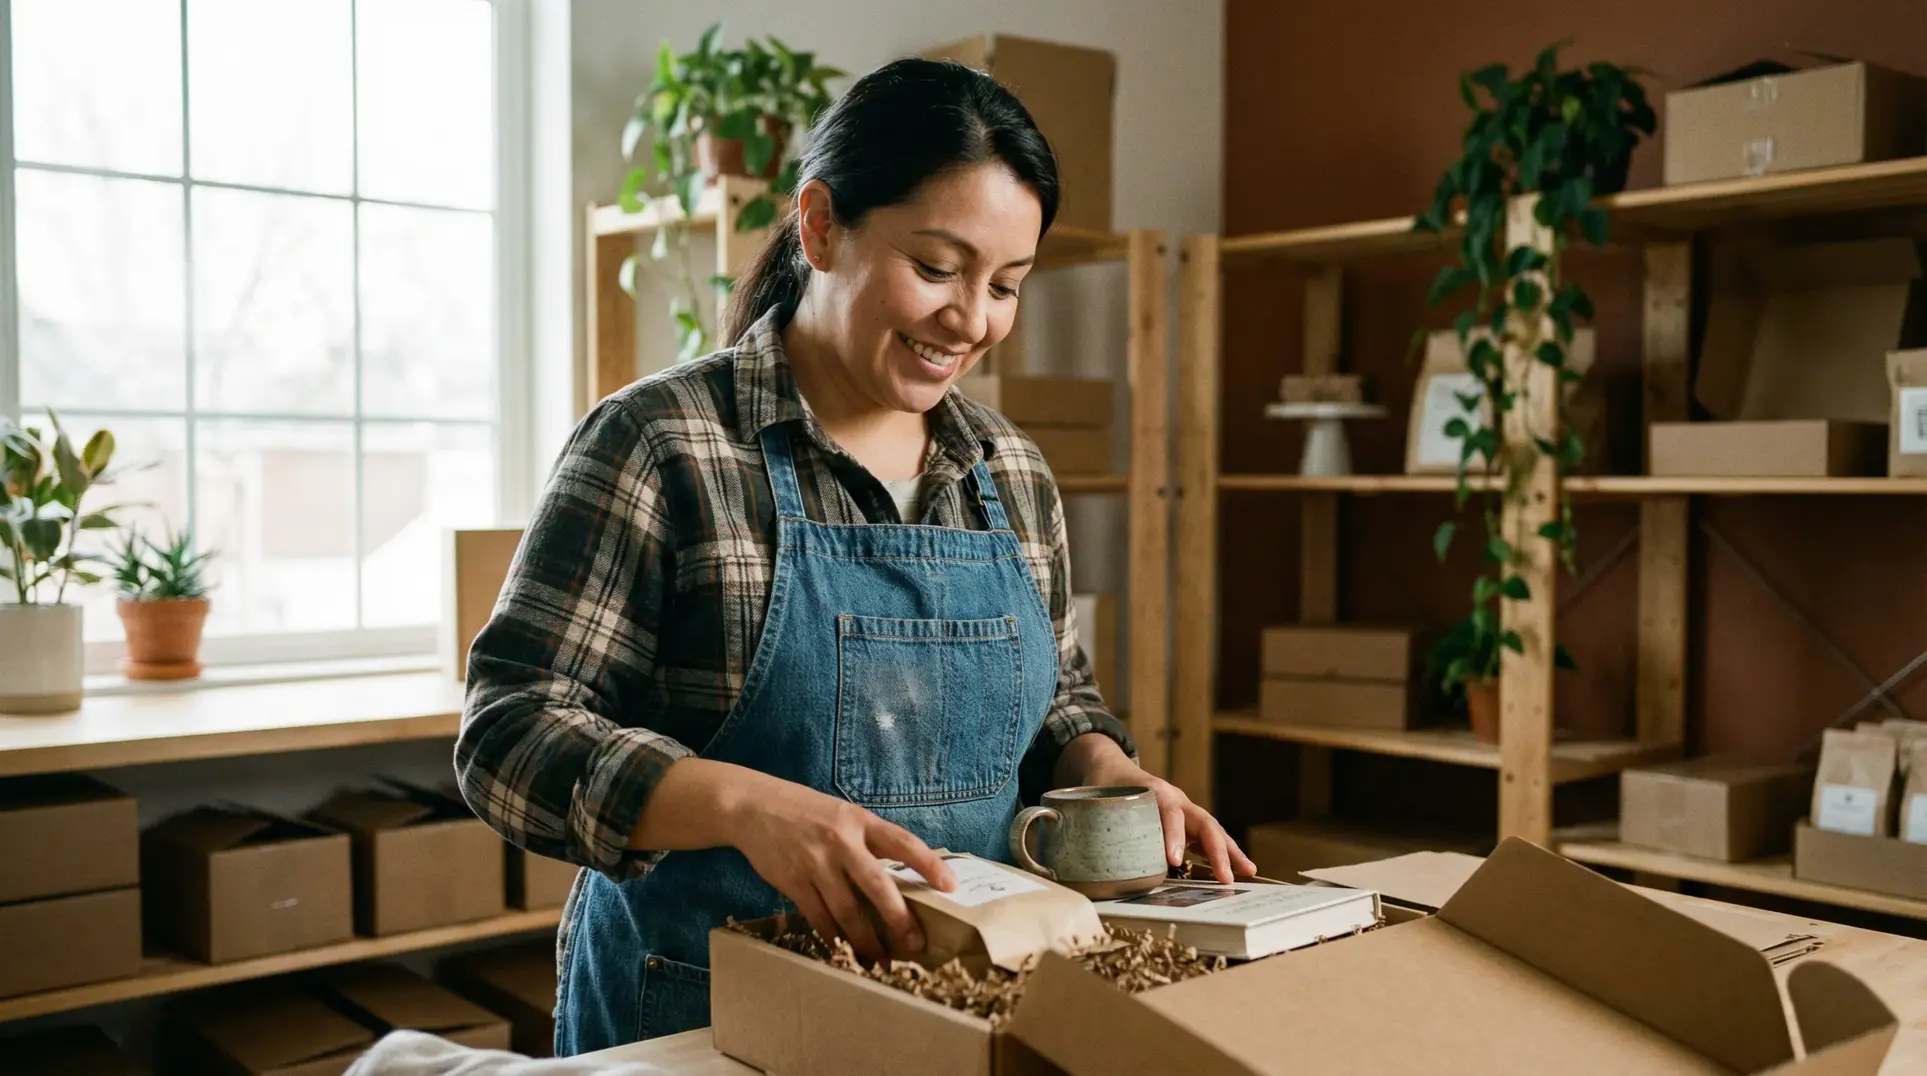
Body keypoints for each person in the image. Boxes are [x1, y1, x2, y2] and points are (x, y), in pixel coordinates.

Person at [455, 55, 1254, 1057]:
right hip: (703, 1016)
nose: (972, 320)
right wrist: (743, 804)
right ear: (820, 224)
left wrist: (1109, 770)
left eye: (1006, 285)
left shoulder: (1006, 470)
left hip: (956, 1013)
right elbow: (507, 735)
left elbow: (1059, 698)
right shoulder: (665, 444)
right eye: (936, 268)